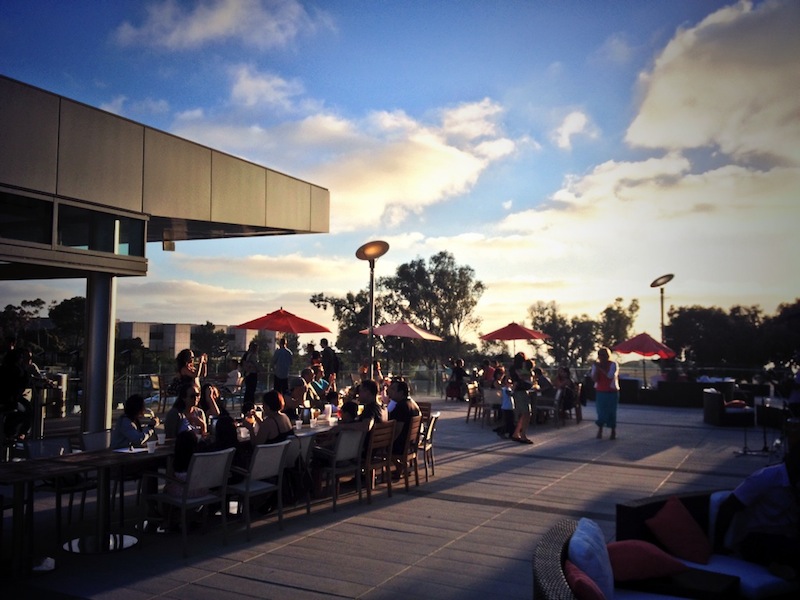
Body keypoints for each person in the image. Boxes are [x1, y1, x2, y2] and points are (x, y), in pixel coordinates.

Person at [714, 444, 800, 578]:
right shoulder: (766, 478)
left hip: (787, 535)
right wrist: (717, 547)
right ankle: (778, 565)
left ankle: (781, 566)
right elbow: (728, 507)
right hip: (758, 536)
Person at [0, 347, 34, 440]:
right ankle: (21, 433)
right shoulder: (19, 371)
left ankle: (8, 431)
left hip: (4, 399)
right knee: (28, 410)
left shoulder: (3, 368)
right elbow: (26, 382)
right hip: (11, 401)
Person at [591, 347, 619, 440]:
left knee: (611, 411)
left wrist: (600, 368)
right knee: (600, 412)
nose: (602, 357)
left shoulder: (613, 364)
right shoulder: (596, 366)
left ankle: (613, 431)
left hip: (611, 391)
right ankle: (600, 430)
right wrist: (596, 369)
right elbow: (594, 378)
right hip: (600, 391)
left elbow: (610, 375)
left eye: (604, 355)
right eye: (600, 355)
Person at [387, 378, 420, 457]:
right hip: (410, 442)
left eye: (393, 389)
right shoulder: (412, 404)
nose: (389, 390)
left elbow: (397, 430)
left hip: (400, 445)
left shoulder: (401, 407)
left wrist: (387, 444)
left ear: (401, 393)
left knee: (370, 446)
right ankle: (399, 466)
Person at [509, 352, 534, 444]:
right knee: (526, 413)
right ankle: (523, 435)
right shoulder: (519, 370)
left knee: (523, 414)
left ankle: (516, 433)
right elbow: (522, 379)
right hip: (521, 392)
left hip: (518, 391)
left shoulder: (512, 369)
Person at [241, 340, 261, 406]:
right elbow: (256, 364)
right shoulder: (253, 355)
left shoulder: (246, 355)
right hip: (252, 374)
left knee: (248, 390)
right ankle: (251, 404)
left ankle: (246, 404)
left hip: (247, 374)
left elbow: (242, 363)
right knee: (251, 391)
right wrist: (259, 370)